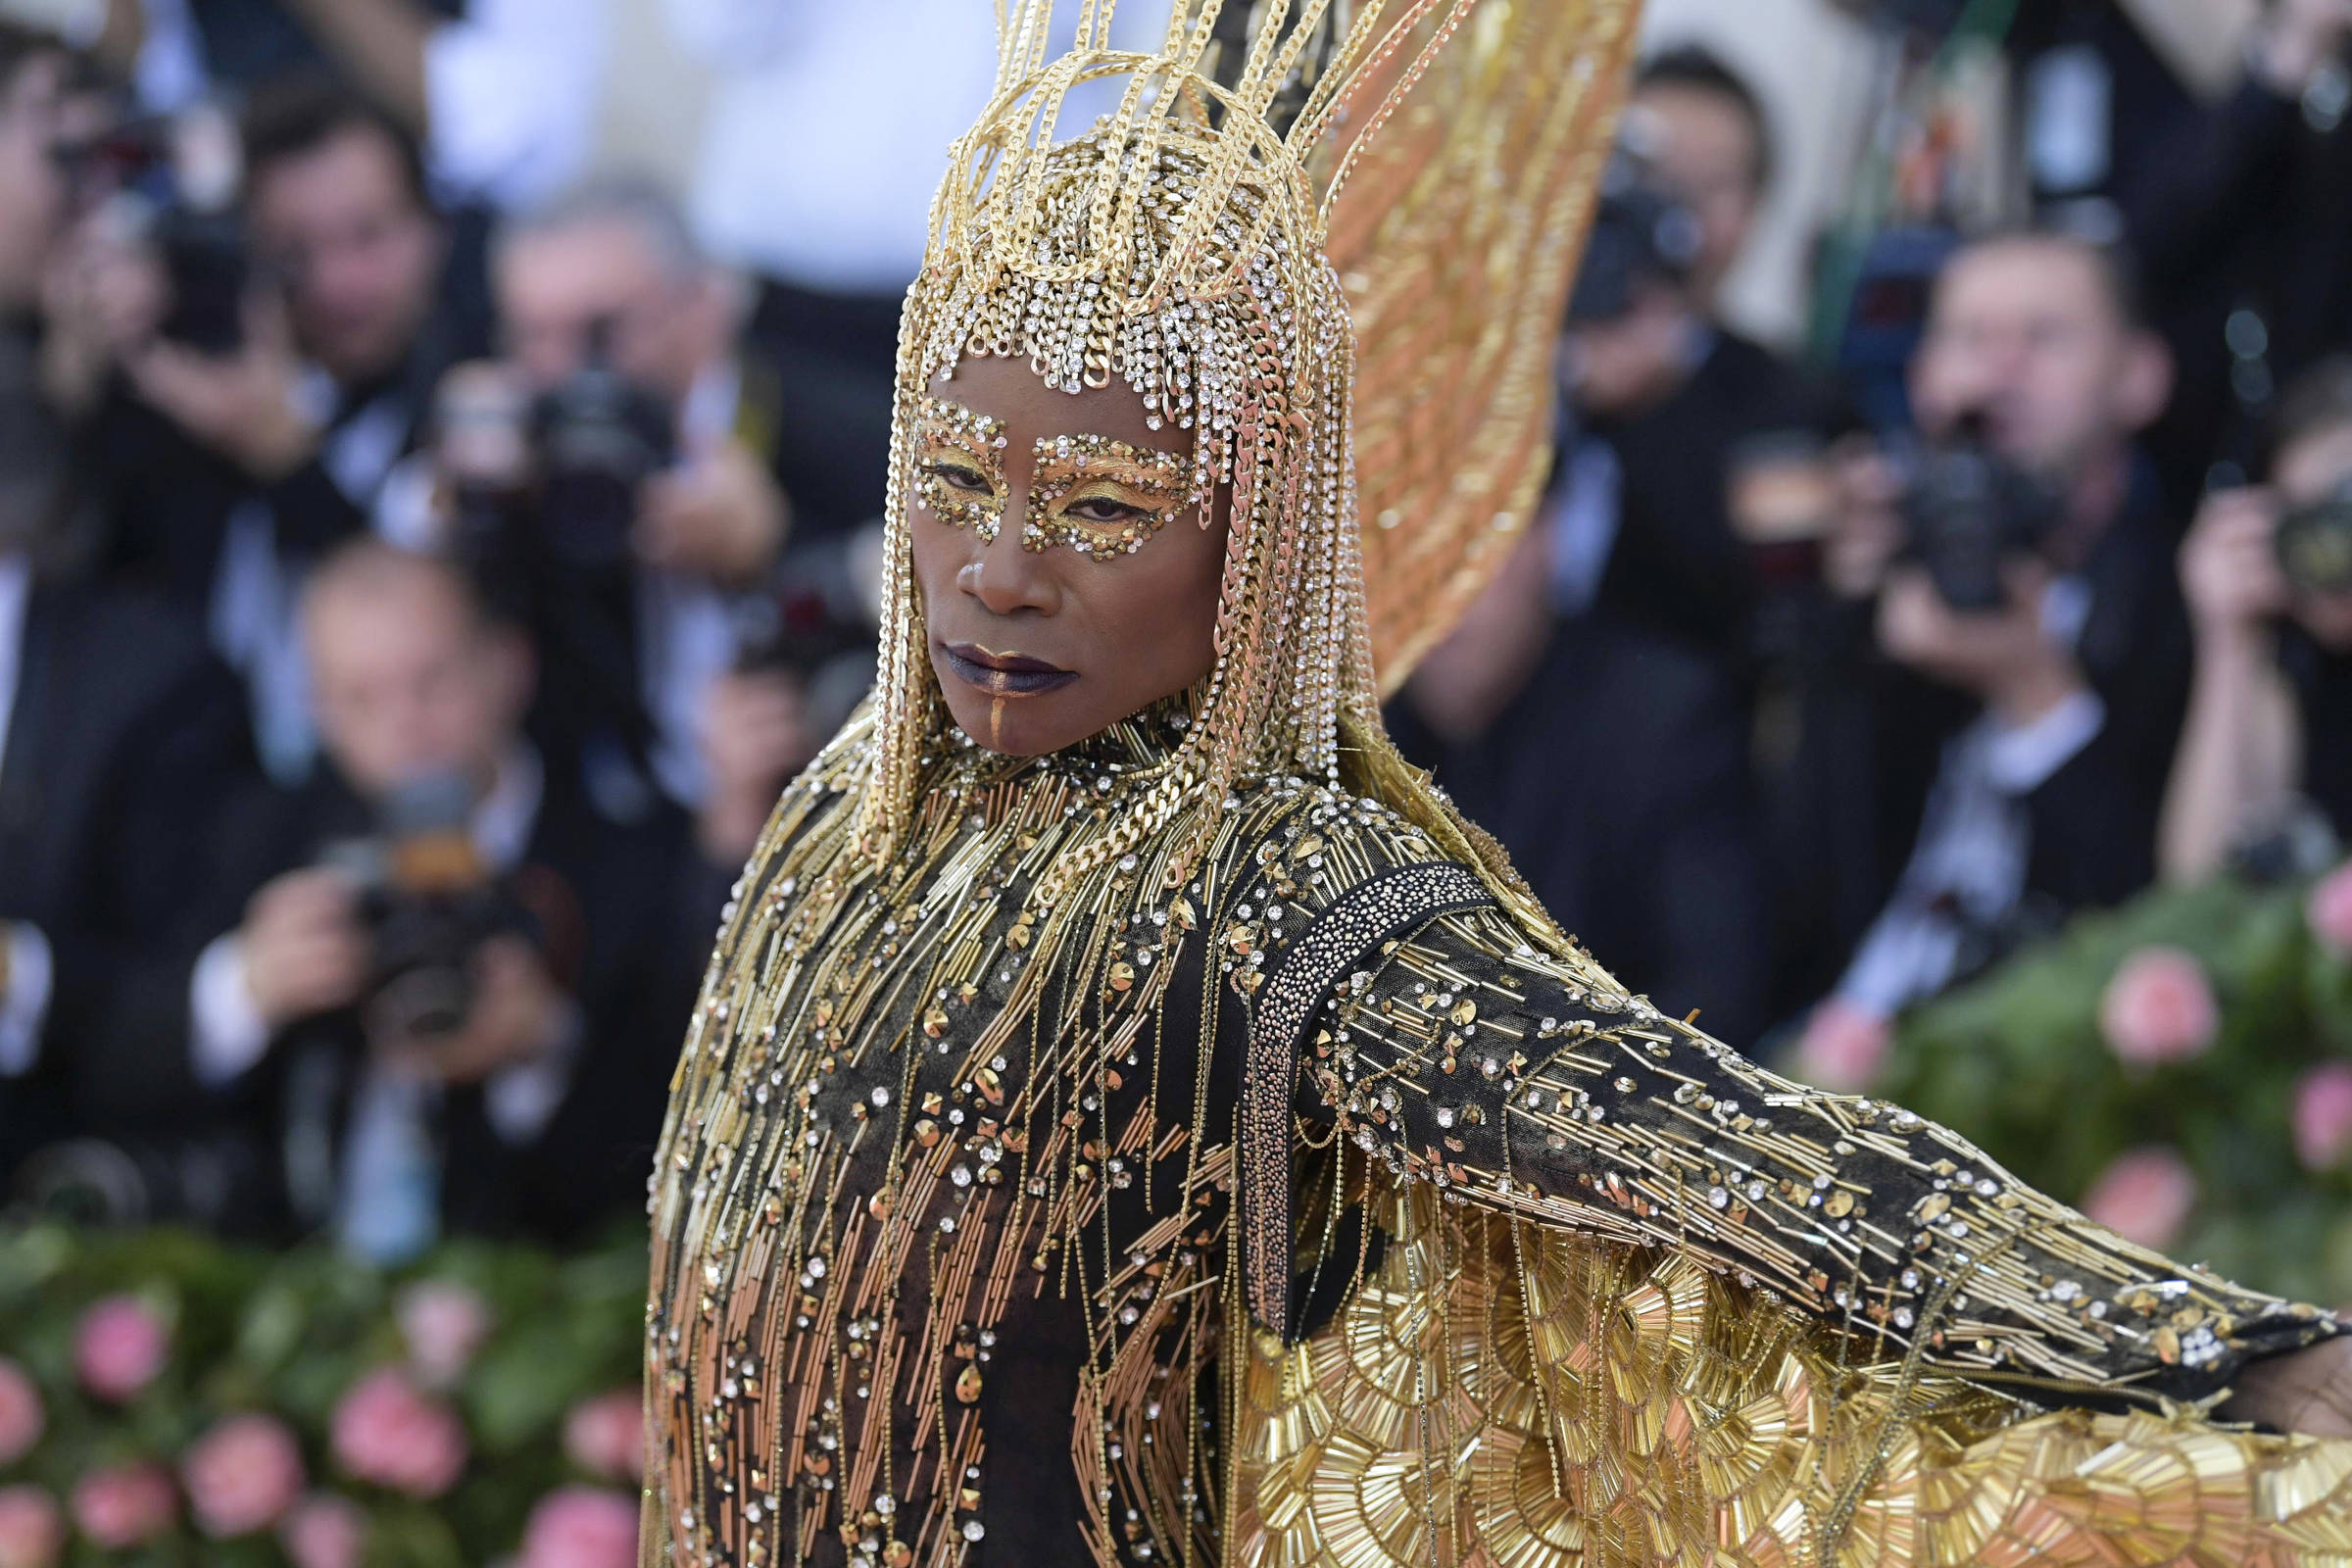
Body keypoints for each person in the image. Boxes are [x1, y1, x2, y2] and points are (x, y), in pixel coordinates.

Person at [640, 10, 2352, 1567]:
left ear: (1257, 530)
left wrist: (2197, 1351)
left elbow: (1715, 1155)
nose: (999, 572)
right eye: (950, 484)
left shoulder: (1274, 888)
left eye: (1100, 509)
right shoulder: (837, 809)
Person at [147, 540, 704, 1250]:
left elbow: (668, 1177)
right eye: (361, 698)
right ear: (317, 710)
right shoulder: (274, 845)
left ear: (508, 665)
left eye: (432, 682)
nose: (404, 725)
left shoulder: (634, 866)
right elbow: (126, 1061)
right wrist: (248, 987)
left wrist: (542, 1054)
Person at [1792, 231, 2187, 1061]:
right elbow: (1793, 895)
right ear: (1922, 378)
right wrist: (1838, 632)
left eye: (2045, 338)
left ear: (2141, 377)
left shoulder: (2183, 598)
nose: (1999, 370)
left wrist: (2035, 695)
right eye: (1970, 339)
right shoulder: (1875, 572)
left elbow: (2168, 931)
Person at [64, 78, 479, 778]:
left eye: (368, 236)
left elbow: (422, 630)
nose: (337, 282)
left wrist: (285, 461)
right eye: (294, 251)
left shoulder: (473, 404)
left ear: (431, 230)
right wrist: (80, 366)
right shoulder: (188, 389)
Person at [2163, 357, 2352, 880]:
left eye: (2344, 503)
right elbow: (2198, 887)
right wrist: (2227, 641)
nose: (2329, 543)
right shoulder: (2293, 672)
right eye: (2301, 517)